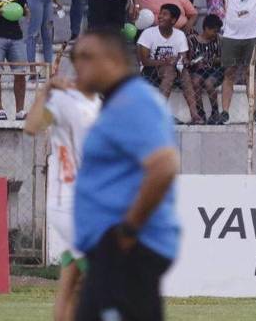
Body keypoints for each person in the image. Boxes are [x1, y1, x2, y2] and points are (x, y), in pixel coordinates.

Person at [72, 27, 180, 321]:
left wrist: (128, 230)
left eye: (86, 57)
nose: (77, 65)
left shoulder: (133, 101)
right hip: (113, 251)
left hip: (126, 249)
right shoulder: (117, 104)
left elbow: (164, 165)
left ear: (114, 60)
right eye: (75, 57)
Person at [22, 72, 100, 321]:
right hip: (71, 205)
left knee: (72, 284)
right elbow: (31, 126)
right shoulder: (63, 106)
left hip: (89, 206)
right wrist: (45, 91)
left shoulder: (99, 106)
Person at [137, 3, 202, 124]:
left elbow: (183, 57)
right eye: (160, 13)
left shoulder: (180, 35)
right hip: (150, 71)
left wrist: (183, 61)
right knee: (170, 70)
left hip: (173, 71)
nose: (160, 16)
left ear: (173, 20)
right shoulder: (148, 33)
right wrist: (165, 61)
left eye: (164, 14)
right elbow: (144, 61)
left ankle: (195, 114)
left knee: (185, 74)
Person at [183, 14, 225, 121]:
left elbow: (223, 60)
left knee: (209, 83)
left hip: (214, 70)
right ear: (206, 28)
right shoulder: (191, 40)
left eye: (217, 31)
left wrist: (210, 60)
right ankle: (200, 112)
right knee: (196, 81)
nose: (216, 34)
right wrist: (192, 62)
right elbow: (186, 59)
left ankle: (215, 112)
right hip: (197, 70)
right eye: (214, 31)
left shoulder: (218, 40)